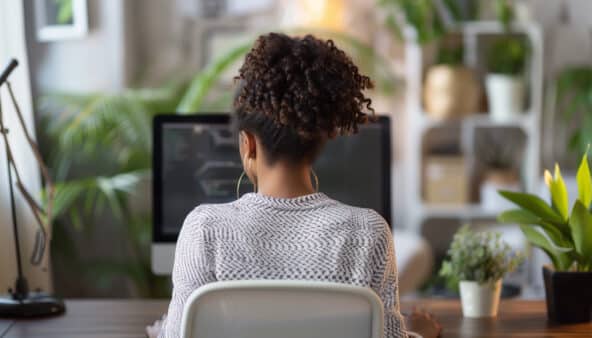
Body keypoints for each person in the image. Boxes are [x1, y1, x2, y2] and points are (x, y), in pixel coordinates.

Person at [148, 32, 441, 338]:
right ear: (320, 141)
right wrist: (418, 332)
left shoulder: (203, 229)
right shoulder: (369, 232)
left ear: (247, 144)